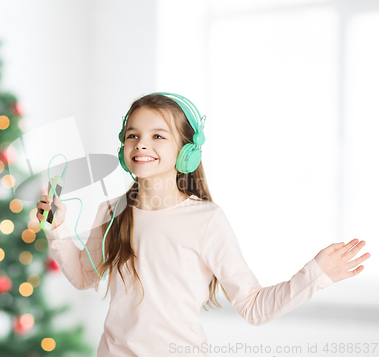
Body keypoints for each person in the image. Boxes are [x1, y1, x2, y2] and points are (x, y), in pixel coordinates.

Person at [36, 93, 371, 357]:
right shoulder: (111, 212)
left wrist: (317, 274)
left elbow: (253, 307)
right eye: (132, 135)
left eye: (158, 135)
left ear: (187, 152)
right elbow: (83, 277)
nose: (141, 144)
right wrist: (57, 228)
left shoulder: (206, 220)